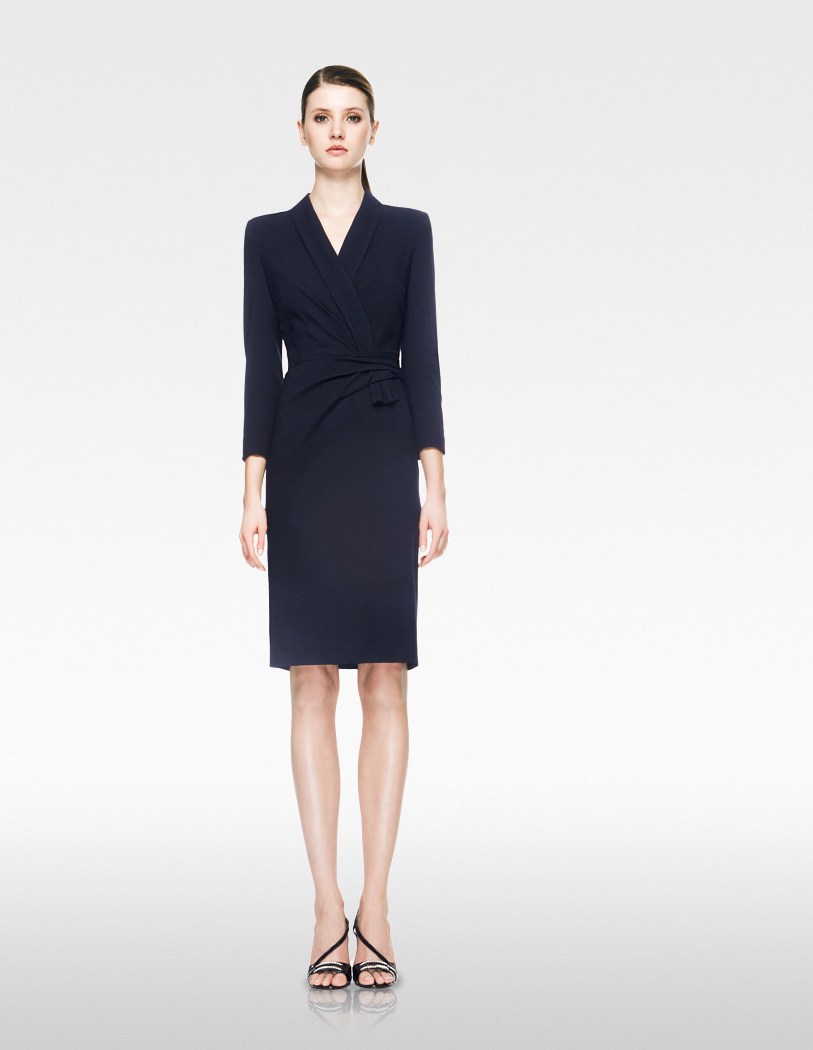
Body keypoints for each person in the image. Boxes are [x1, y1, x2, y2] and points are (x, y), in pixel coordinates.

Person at [237, 65, 448, 990]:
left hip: (380, 454)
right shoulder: (267, 236)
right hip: (305, 460)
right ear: (300, 131)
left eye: (351, 116)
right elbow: (260, 364)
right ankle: (327, 905)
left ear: (373, 131)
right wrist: (253, 489)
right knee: (312, 678)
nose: (336, 130)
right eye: (321, 117)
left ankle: (380, 904)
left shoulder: (408, 232)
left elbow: (424, 355)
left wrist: (435, 483)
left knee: (386, 674)